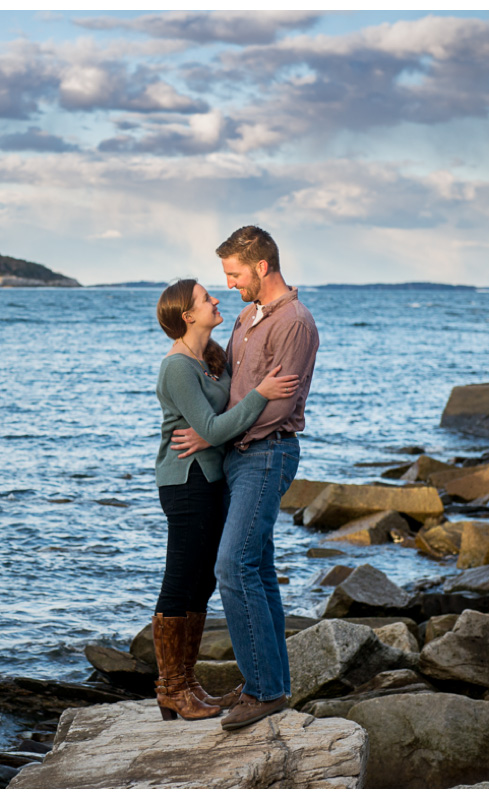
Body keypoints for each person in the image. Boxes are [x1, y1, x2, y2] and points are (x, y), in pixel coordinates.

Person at [170, 226, 319, 731]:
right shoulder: (246, 316)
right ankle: (272, 684)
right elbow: (231, 384)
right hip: (237, 456)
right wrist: (203, 425)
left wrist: (211, 436)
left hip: (266, 453)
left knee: (232, 565)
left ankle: (263, 691)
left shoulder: (294, 322)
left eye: (234, 274)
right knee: (256, 570)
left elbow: (276, 408)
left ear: (261, 267)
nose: (229, 284)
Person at [150, 278, 300, 721]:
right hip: (185, 481)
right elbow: (214, 429)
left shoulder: (211, 358)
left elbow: (216, 425)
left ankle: (187, 681)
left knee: (205, 581)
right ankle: (170, 687)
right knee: (181, 579)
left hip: (211, 477)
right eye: (205, 298)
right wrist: (262, 395)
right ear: (187, 316)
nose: (216, 298)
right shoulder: (177, 367)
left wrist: (216, 430)